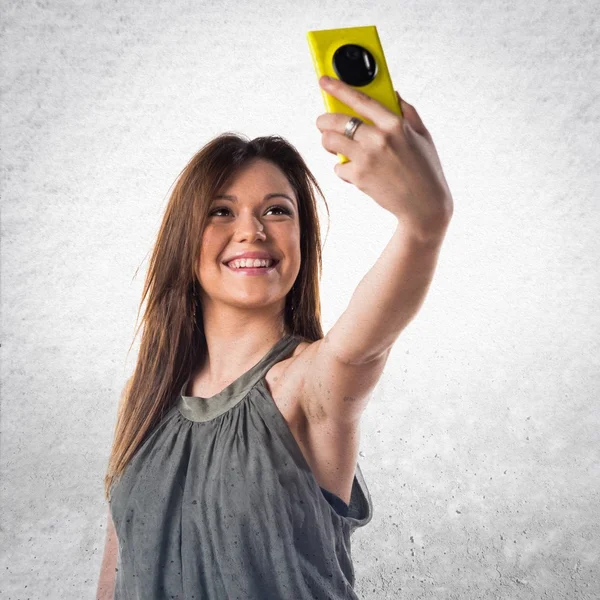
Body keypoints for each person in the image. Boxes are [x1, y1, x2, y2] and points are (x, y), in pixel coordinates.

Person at [97, 76, 453, 599]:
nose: (252, 230)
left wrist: (425, 220)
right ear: (184, 238)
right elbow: (115, 578)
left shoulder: (310, 383)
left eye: (276, 210)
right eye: (221, 211)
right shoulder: (145, 397)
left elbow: (365, 339)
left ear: (301, 240)